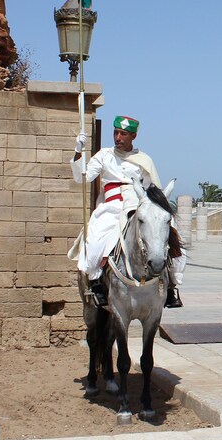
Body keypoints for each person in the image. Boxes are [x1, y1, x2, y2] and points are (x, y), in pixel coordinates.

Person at [68, 115, 183, 307]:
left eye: (123, 134)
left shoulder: (144, 160)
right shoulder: (104, 155)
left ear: (133, 136)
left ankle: (171, 285)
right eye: (115, 133)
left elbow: (153, 189)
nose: (118, 137)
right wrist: (79, 151)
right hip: (112, 207)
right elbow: (83, 178)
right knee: (96, 240)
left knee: (172, 236)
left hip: (138, 204)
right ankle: (96, 282)